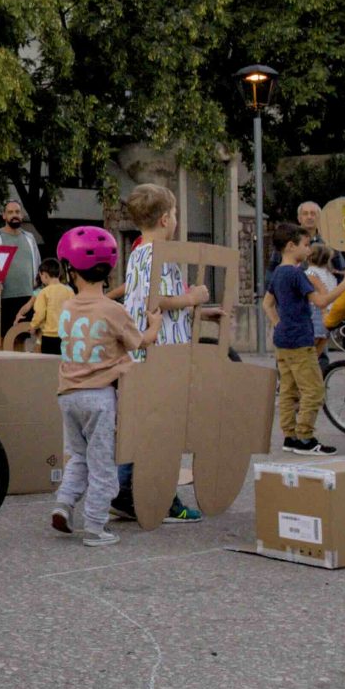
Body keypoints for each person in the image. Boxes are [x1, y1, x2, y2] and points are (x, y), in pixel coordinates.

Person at [112, 183, 212, 523]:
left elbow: (143, 301)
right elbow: (161, 300)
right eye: (177, 215)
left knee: (143, 426)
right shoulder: (160, 254)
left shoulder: (139, 252)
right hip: (163, 353)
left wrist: (196, 310)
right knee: (164, 428)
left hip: (145, 351)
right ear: (167, 218)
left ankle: (127, 493)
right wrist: (195, 297)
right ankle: (160, 496)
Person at [46, 225, 152, 545]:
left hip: (67, 394)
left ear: (69, 270)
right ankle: (95, 526)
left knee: (77, 456)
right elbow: (137, 343)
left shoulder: (65, 308)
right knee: (102, 462)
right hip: (99, 398)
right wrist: (156, 326)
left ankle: (64, 505)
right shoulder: (113, 310)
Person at [265, 223, 335, 452]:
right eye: (305, 245)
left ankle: (289, 436)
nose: (309, 250)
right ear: (291, 246)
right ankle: (305, 436)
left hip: (283, 340)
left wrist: (278, 324)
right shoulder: (297, 274)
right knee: (313, 389)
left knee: (288, 389)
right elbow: (321, 302)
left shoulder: (277, 273)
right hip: (300, 340)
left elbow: (267, 304)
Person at [0, 199, 41, 342]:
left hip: (27, 298)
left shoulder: (30, 238)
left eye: (17, 212)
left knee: (21, 338)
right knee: (2, 339)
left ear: (22, 215)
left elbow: (38, 264)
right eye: (10, 212)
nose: (14, 215)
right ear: (4, 216)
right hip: (3, 299)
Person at [20, 258, 75, 356]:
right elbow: (74, 311)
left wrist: (33, 326)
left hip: (49, 336)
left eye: (40, 275)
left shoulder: (43, 292)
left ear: (44, 275)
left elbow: (40, 314)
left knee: (49, 365)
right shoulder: (69, 291)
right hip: (66, 335)